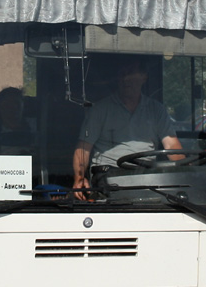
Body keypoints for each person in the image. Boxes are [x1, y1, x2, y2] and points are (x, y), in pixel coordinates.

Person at [72, 56, 183, 189]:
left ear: (144, 76)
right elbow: (83, 148)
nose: (125, 79)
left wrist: (187, 172)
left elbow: (171, 146)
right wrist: (79, 178)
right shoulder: (100, 110)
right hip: (108, 175)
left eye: (130, 73)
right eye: (122, 74)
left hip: (147, 175)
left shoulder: (156, 110)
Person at [0, 87, 36, 155]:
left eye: (16, 103)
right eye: (8, 104)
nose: (13, 108)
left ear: (23, 105)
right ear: (0, 107)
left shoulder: (36, 125)